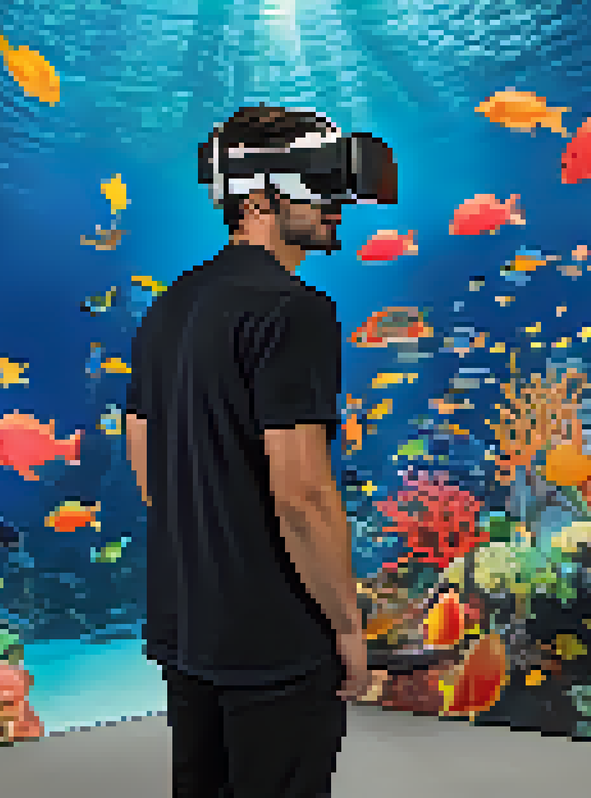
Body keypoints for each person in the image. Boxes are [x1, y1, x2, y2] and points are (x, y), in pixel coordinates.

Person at [124, 104, 398, 798]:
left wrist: (210, 535)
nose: (339, 204)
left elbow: (145, 456)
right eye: (319, 184)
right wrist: (346, 624)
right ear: (256, 201)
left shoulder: (170, 306)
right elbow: (302, 494)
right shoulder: (297, 310)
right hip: (274, 638)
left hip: (188, 625)